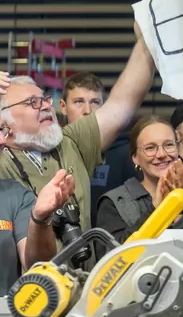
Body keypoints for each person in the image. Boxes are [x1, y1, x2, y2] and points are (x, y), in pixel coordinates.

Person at [0, 23, 156, 237]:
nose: (45, 105)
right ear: (3, 120)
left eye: (44, 99)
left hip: (84, 269)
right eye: (32, 102)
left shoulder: (71, 142)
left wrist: (146, 43)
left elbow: (122, 104)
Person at [0, 89, 75, 297]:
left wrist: (40, 219)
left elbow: (37, 265)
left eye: (1, 131)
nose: (2, 141)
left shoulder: (15, 196)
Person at [96, 117, 183, 243]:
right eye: (150, 148)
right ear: (135, 158)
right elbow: (113, 256)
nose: (161, 154)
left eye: (168, 145)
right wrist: (156, 209)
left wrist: (182, 207)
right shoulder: (114, 203)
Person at [56, 71, 138, 226]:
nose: (87, 110)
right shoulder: (51, 150)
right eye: (79, 102)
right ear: (63, 106)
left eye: (95, 102)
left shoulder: (125, 153)